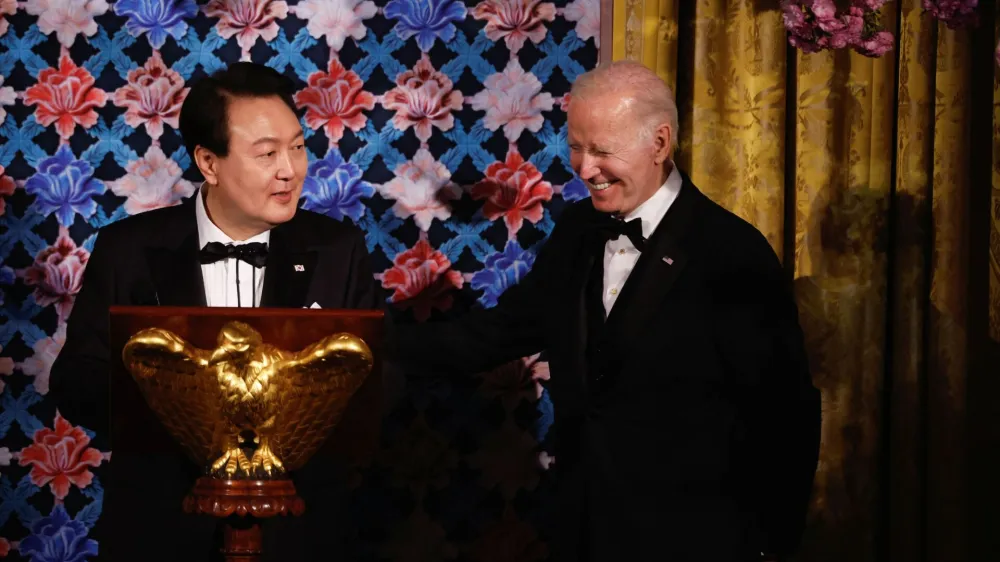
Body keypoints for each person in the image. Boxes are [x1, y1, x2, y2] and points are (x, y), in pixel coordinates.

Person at [390, 61, 821, 562]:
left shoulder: (731, 252)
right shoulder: (578, 230)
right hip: (582, 531)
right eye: (576, 146)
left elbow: (785, 415)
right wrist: (366, 340)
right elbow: (498, 332)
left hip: (693, 539)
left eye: (601, 151)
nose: (584, 169)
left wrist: (769, 547)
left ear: (659, 144)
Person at [49, 62, 381, 561]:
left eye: (297, 147)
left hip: (301, 530)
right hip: (161, 530)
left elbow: (382, 377)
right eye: (267, 153)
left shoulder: (339, 249)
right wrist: (175, 401)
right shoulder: (128, 249)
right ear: (209, 162)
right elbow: (77, 381)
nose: (290, 170)